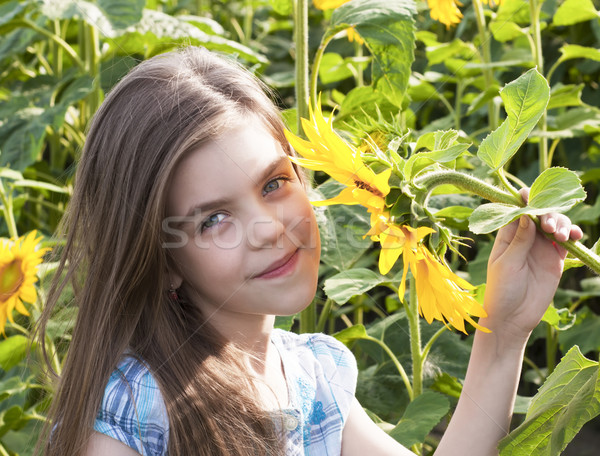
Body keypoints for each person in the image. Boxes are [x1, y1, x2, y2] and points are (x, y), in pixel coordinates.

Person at [36, 46, 583, 456]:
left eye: (274, 183)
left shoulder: (314, 379)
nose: (271, 229)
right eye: (214, 219)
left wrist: (504, 331)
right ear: (160, 264)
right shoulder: (134, 414)